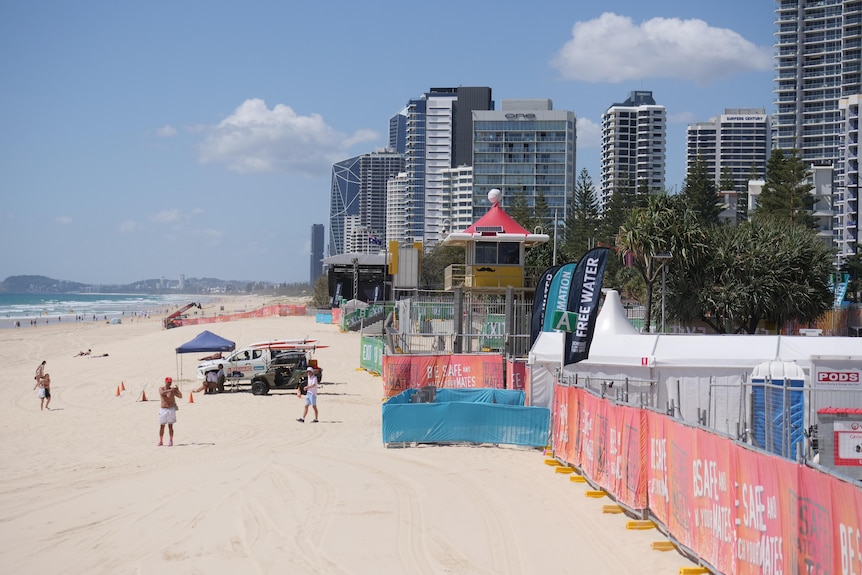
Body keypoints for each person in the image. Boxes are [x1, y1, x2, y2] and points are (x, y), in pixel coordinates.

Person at [158, 377, 182, 446]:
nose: (169, 383)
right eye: (168, 382)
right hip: (163, 409)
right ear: (165, 382)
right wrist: (170, 390)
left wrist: (177, 390)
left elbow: (180, 396)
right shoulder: (161, 388)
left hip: (170, 409)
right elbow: (162, 393)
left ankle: (171, 440)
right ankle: (161, 440)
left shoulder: (172, 390)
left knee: (170, 426)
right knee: (162, 426)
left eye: (170, 382)